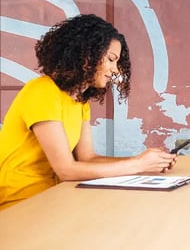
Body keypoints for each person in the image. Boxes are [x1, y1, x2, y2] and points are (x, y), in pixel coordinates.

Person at [0, 14, 177, 210]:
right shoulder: (42, 91)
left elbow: (88, 158)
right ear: (86, 55)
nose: (116, 70)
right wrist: (139, 166)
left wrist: (144, 162)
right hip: (19, 205)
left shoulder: (80, 102)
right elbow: (66, 170)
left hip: (54, 199)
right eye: (111, 59)